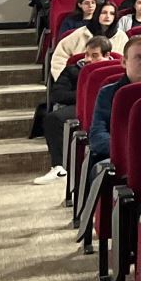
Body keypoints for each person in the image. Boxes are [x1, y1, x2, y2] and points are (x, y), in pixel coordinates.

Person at [36, 34, 114, 184]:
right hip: (79, 105)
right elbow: (57, 94)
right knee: (53, 118)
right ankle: (59, 166)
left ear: (107, 55)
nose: (89, 59)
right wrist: (85, 95)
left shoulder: (116, 69)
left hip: (108, 107)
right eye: (87, 54)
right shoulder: (73, 70)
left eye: (95, 55)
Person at [88, 33, 141, 164]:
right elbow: (98, 135)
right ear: (124, 62)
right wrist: (129, 151)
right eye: (138, 57)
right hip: (122, 157)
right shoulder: (108, 93)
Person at [49, 0, 127, 78]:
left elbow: (127, 63)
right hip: (79, 80)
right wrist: (64, 78)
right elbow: (59, 56)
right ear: (97, 14)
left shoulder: (122, 37)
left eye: (112, 14)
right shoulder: (80, 34)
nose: (108, 16)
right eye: (104, 13)